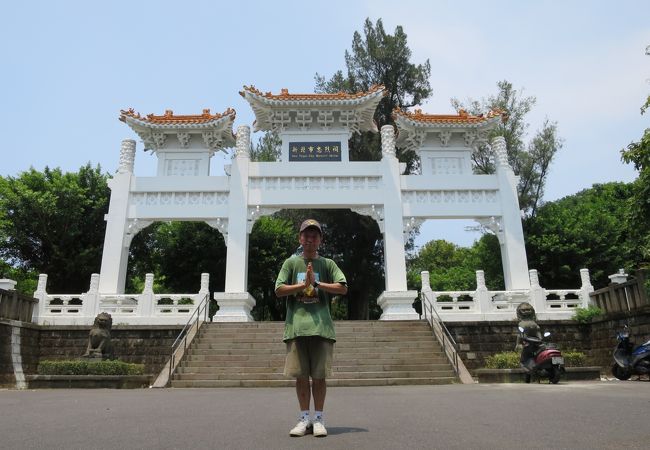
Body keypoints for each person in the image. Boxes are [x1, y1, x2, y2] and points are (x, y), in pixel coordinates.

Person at [275, 219, 347, 438]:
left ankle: (319, 419)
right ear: (300, 238)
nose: (310, 239)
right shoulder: (290, 263)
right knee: (301, 377)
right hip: (297, 327)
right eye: (306, 235)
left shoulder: (327, 264)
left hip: (321, 328)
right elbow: (279, 290)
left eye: (314, 235)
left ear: (320, 240)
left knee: (319, 377)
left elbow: (342, 288)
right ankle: (304, 417)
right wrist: (302, 285)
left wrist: (315, 284)